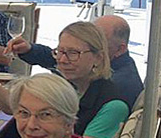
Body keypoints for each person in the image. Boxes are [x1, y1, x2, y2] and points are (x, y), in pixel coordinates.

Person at [0, 21, 128, 138]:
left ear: (98, 57)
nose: (62, 60)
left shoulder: (112, 106)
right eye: (59, 51)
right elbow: (12, 105)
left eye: (73, 53)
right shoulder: (70, 83)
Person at [7, 15, 143, 110]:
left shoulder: (115, 86)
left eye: (97, 39)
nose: (64, 60)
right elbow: (57, 59)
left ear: (120, 49)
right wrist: (29, 49)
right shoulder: (93, 67)